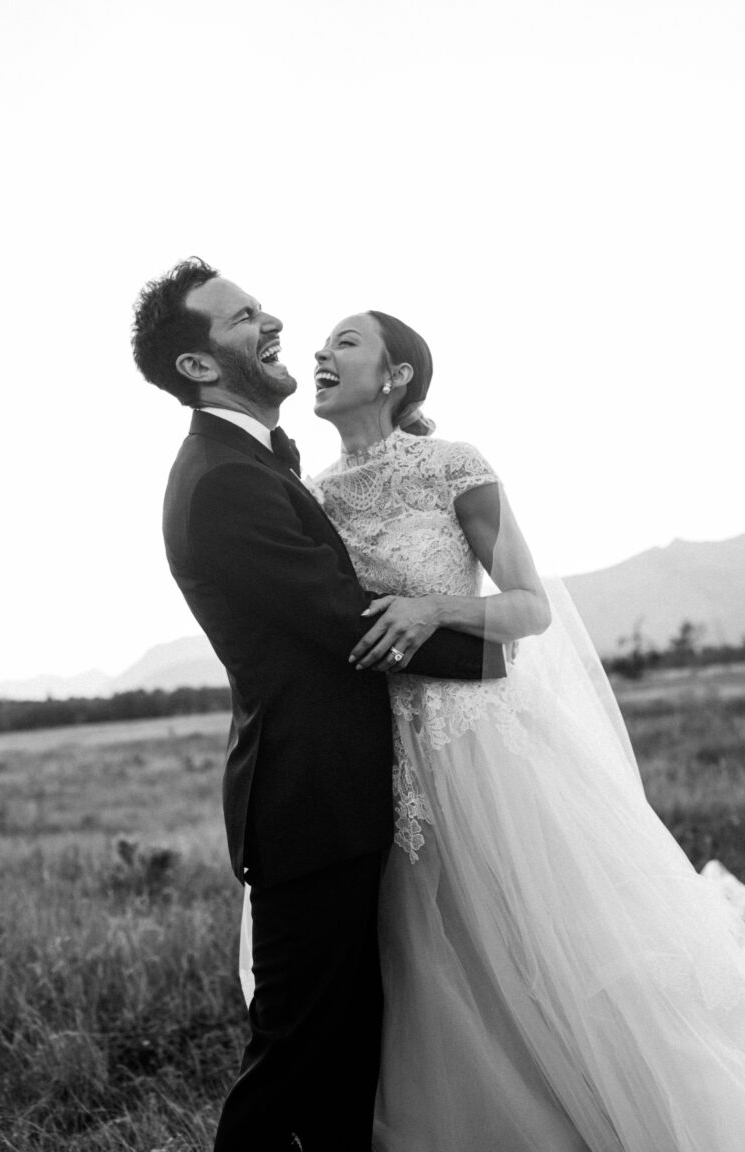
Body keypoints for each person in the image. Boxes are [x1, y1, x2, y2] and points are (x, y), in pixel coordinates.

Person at [310, 308, 745, 1151]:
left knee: (549, 939)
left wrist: (434, 607)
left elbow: (530, 608)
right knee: (436, 960)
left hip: (482, 745)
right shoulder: (313, 496)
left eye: (344, 342)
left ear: (397, 375)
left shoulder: (453, 465)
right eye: (321, 346)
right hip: (383, 754)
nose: (320, 354)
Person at [130, 259, 506, 1152]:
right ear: (199, 366)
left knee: (346, 1048)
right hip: (307, 805)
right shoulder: (222, 480)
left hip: (337, 798)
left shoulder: (257, 460)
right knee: (293, 1054)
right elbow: (341, 618)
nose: (271, 324)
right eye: (243, 319)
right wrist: (495, 653)